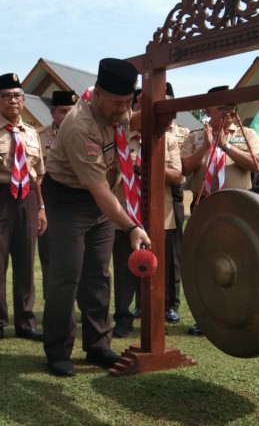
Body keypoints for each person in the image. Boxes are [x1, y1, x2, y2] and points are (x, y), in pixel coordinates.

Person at [41, 58, 151, 377]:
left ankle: (98, 345)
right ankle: (58, 351)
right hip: (68, 198)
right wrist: (130, 225)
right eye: (117, 104)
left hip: (101, 200)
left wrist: (156, 115)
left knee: (98, 274)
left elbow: (131, 123)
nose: (122, 111)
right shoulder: (79, 125)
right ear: (98, 94)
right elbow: (98, 188)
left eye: (127, 104)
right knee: (66, 276)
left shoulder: (116, 108)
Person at [180, 86, 259, 335]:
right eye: (223, 106)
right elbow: (184, 169)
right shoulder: (195, 136)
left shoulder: (246, 132)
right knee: (206, 264)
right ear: (208, 109)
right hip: (205, 206)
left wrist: (226, 147)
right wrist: (205, 147)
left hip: (238, 208)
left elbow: (256, 164)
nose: (230, 110)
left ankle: (239, 315)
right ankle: (206, 317)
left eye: (232, 106)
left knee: (241, 263)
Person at [0, 73, 46, 346]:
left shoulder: (32, 133)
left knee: (26, 264)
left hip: (27, 200)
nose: (13, 100)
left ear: (24, 100)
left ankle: (26, 323)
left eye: (17, 95)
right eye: (6, 95)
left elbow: (38, 176)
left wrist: (41, 208)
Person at [111, 117, 182, 338]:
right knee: (124, 270)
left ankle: (156, 320)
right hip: (126, 213)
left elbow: (177, 175)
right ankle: (123, 318)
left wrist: (146, 167)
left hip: (161, 214)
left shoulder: (168, 140)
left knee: (158, 269)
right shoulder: (120, 139)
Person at [36, 90, 76, 298]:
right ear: (52, 113)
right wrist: (41, 207)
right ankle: (53, 303)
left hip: (79, 205)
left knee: (81, 258)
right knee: (51, 258)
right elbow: (37, 175)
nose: (68, 116)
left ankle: (78, 306)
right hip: (51, 206)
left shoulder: (86, 133)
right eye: (63, 111)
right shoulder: (39, 136)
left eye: (72, 111)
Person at [163, 82, 190, 324]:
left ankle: (172, 304)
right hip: (146, 192)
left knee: (173, 251)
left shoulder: (184, 133)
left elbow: (183, 170)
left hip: (174, 192)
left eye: (168, 99)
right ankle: (142, 303)